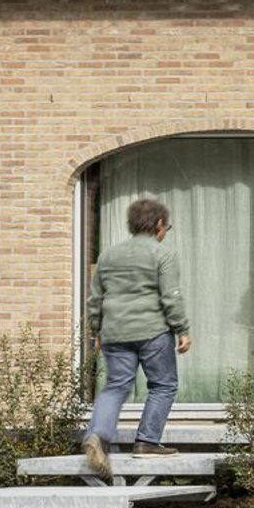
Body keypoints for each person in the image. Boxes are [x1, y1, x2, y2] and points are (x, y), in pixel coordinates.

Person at [81, 196, 193, 476]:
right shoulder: (161, 254)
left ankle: (98, 436)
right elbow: (171, 297)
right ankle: (147, 442)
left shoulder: (108, 255)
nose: (166, 231)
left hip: (115, 332)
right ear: (158, 225)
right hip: (153, 330)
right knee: (163, 385)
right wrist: (182, 329)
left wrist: (97, 330)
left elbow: (95, 299)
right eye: (166, 226)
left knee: (116, 386)